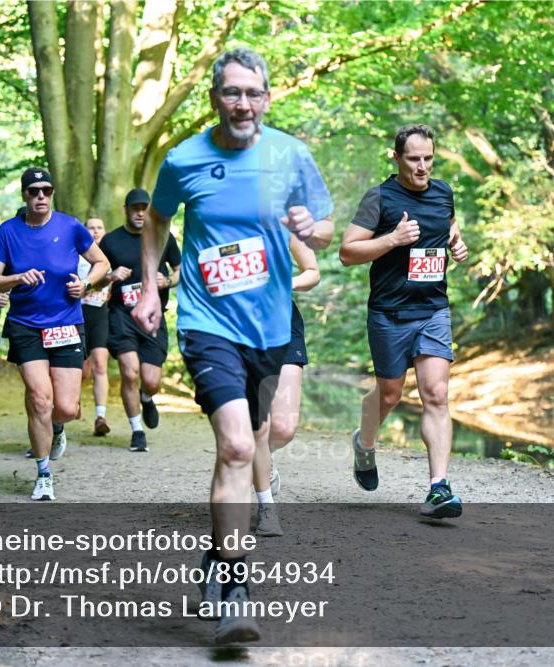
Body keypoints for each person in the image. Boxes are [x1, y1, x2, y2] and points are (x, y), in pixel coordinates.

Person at [132, 48, 333, 645]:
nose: (242, 103)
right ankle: (237, 594)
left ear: (267, 98)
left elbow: (324, 228)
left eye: (253, 93)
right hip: (207, 323)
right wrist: (149, 288)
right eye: (231, 93)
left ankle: (217, 561)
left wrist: (308, 229)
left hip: (271, 329)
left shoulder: (291, 154)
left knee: (247, 449)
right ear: (215, 98)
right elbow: (159, 222)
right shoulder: (184, 159)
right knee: (240, 446)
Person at [338, 123, 469, 519]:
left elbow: (448, 228)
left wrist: (457, 244)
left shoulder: (444, 192)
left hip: (432, 310)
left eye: (428, 158)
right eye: (413, 159)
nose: (422, 166)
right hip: (389, 314)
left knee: (436, 394)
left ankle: (438, 488)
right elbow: (347, 251)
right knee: (390, 394)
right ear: (396, 158)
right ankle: (364, 442)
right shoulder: (380, 197)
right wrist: (392, 240)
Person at [0, 168, 108, 502]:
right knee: (40, 398)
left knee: (65, 408)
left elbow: (101, 263)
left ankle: (57, 427)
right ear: (24, 195)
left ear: (52, 194)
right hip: (26, 324)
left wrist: (86, 284)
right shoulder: (8, 232)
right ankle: (43, 474)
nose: (41, 196)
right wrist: (16, 278)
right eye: (34, 190)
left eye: (47, 190)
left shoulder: (70, 227)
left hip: (66, 322)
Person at [99, 188, 181, 451]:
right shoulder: (110, 242)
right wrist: (110, 275)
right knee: (129, 372)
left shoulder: (163, 237)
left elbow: (181, 271)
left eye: (144, 208)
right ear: (126, 209)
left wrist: (167, 280)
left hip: (153, 317)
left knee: (151, 380)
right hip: (121, 316)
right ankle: (137, 431)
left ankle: (147, 398)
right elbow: (94, 276)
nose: (140, 212)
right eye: (135, 208)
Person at [250, 236, 320, 533]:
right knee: (258, 425)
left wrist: (285, 285)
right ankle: (266, 506)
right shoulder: (224, 223)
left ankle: (261, 460)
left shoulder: (281, 226)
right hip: (243, 325)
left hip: (284, 323)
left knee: (284, 428)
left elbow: (312, 271)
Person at [78, 217, 113, 436]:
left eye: (100, 227)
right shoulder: (76, 256)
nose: (96, 231)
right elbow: (79, 289)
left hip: (101, 313)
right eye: (91, 227)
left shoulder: (112, 256)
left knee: (100, 364)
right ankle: (73, 401)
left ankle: (101, 417)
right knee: (81, 371)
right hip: (78, 314)